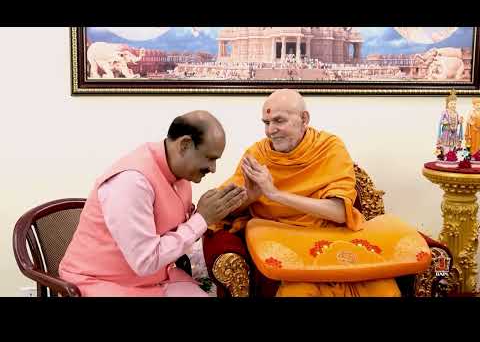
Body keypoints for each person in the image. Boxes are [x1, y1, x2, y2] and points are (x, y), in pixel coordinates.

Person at [203, 89, 402, 297]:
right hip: (285, 246)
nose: (271, 130)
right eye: (266, 122)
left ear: (304, 119)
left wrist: (275, 194)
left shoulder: (328, 147)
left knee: (385, 290)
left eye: (279, 121)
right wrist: (251, 197)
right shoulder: (258, 154)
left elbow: (340, 212)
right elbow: (224, 211)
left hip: (333, 242)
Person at [59, 111, 247, 297]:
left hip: (155, 278)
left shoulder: (180, 176)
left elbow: (180, 233)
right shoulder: (131, 182)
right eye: (210, 158)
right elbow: (145, 262)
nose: (213, 169)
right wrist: (201, 219)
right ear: (185, 145)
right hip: (103, 282)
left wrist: (210, 213)